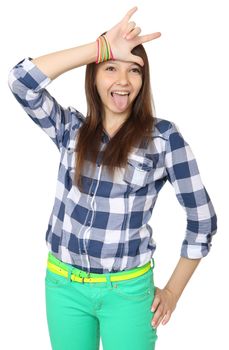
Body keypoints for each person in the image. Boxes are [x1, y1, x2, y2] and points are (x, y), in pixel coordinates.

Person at [8, 6, 217, 350]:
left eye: (134, 71)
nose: (123, 80)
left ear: (143, 80)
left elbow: (202, 219)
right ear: (94, 76)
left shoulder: (163, 139)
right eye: (111, 68)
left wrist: (173, 292)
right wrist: (100, 47)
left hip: (129, 293)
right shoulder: (69, 129)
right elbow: (21, 81)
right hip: (63, 287)